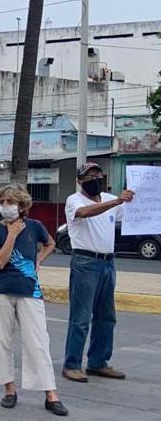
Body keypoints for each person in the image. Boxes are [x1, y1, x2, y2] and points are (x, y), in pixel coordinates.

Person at [0, 185, 67, 416]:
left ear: (22, 206)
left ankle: (50, 393)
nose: (6, 206)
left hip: (30, 290)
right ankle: (9, 389)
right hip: (0, 290)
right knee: (1, 341)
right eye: (3, 202)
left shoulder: (35, 227)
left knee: (38, 341)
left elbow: (51, 242)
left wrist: (39, 259)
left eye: (11, 202)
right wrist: (11, 234)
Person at [61, 161, 135, 383]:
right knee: (81, 317)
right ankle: (72, 364)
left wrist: (131, 199)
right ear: (80, 181)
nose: (94, 179)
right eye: (88, 176)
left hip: (107, 263)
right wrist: (118, 201)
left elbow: (131, 214)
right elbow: (84, 213)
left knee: (106, 316)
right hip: (85, 262)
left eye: (97, 174)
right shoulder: (74, 201)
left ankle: (98, 362)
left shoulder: (112, 200)